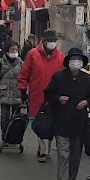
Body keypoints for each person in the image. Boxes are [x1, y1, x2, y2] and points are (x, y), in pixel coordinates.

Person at [45, 47, 90, 180]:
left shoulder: (86, 79)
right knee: (63, 154)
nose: (76, 62)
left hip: (79, 123)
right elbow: (49, 94)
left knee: (75, 156)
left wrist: (86, 102)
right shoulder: (58, 77)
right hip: (62, 121)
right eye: (73, 59)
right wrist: (59, 99)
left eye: (79, 59)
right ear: (68, 62)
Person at [18, 30, 65, 162]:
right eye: (50, 41)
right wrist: (22, 89)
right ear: (43, 41)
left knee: (50, 124)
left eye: (54, 41)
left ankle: (45, 149)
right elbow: (24, 73)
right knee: (38, 123)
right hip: (36, 94)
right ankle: (42, 147)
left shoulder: (61, 57)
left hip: (54, 96)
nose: (52, 44)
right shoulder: (32, 54)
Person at [0, 39, 24, 136]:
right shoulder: (0, 62)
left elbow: (24, 77)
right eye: (12, 49)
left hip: (17, 92)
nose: (14, 52)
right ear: (6, 50)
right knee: (4, 116)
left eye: (16, 49)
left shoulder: (21, 63)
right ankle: (4, 135)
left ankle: (15, 136)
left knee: (17, 117)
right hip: (4, 92)